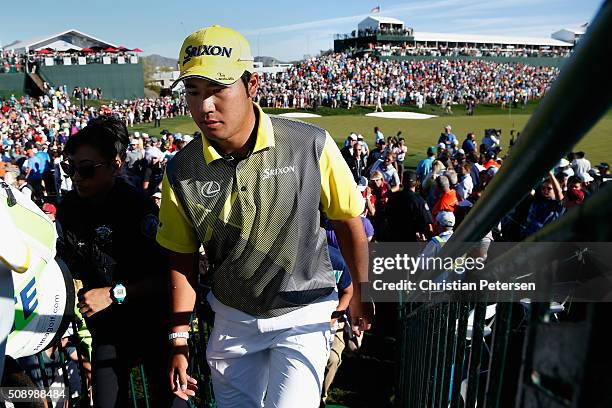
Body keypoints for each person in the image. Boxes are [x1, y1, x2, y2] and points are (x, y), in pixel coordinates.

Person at [157, 26, 373, 407]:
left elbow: (348, 220)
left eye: (217, 90)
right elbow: (181, 258)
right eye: (193, 92)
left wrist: (362, 290)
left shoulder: (311, 143)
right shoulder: (180, 169)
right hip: (231, 317)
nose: (204, 106)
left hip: (303, 309)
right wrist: (178, 338)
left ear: (251, 85)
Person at [55, 116, 185, 408]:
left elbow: (168, 276)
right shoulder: (68, 210)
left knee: (171, 402)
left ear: (115, 164)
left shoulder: (137, 207)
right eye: (70, 168)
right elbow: (68, 262)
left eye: (86, 169)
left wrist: (115, 294)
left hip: (152, 324)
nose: (76, 176)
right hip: (108, 330)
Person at [321, 245, 355, 406]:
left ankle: (321, 396)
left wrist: (334, 317)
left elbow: (348, 291)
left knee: (333, 358)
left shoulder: (337, 260)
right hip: (298, 318)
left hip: (334, 318)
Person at [385, 171, 433, 242]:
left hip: (393, 236)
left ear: (402, 182)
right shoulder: (419, 200)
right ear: (416, 183)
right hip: (411, 239)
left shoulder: (393, 197)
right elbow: (428, 224)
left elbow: (386, 215)